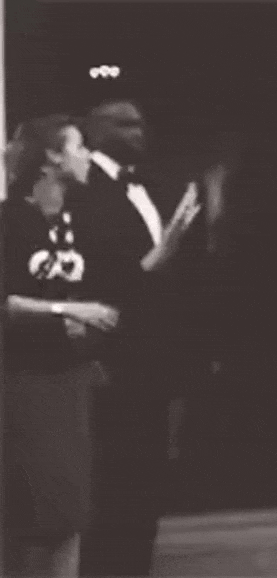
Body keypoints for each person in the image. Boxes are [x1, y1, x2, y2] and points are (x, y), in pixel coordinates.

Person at [76, 98, 201, 577]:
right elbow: (92, 272)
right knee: (112, 468)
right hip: (110, 349)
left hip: (153, 348)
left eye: (141, 123)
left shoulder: (148, 184)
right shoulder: (83, 188)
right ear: (97, 130)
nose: (139, 131)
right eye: (126, 124)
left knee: (147, 468)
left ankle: (137, 564)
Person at [1, 114, 125, 577]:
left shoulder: (80, 220)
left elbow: (103, 289)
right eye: (78, 146)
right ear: (50, 157)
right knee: (30, 515)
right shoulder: (10, 219)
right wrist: (68, 310)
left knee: (71, 514)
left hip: (70, 380)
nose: (87, 155)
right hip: (24, 382)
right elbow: (6, 301)